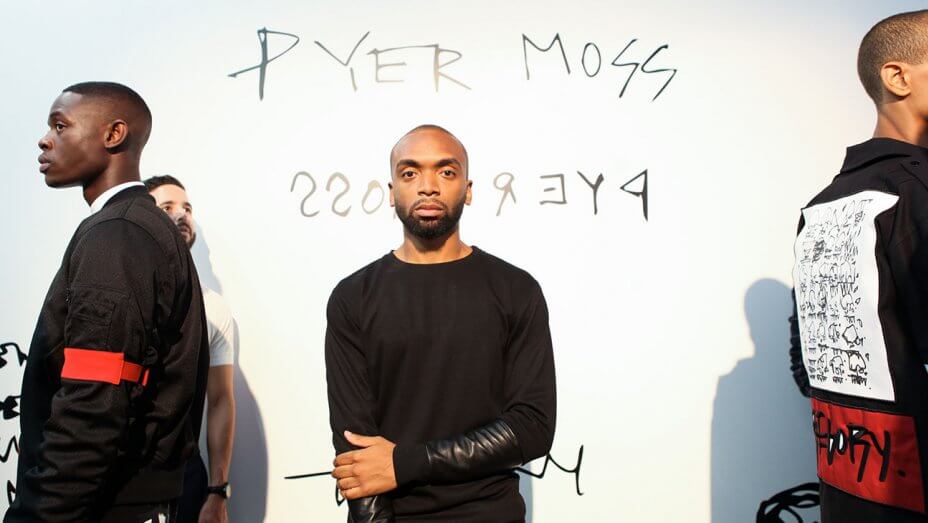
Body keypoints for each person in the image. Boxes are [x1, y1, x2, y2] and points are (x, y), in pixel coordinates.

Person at [326, 124, 557, 522]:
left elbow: (533, 427)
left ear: (468, 189)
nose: (428, 187)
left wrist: (406, 462)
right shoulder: (353, 297)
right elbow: (355, 449)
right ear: (392, 191)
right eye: (410, 173)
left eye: (446, 172)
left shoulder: (516, 290)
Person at [6, 82, 209, 523]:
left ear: (113, 135)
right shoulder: (137, 227)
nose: (45, 140)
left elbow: (93, 402)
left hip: (102, 507)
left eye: (60, 126)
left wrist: (37, 515)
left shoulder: (118, 234)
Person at [789, 10, 928, 523]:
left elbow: (805, 365)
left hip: (851, 484)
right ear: (897, 77)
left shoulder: (822, 205)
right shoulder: (917, 193)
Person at [145, 175, 236, 523]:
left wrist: (217, 491)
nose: (182, 214)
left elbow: (221, 399)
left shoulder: (214, 308)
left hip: (185, 473)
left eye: (187, 208)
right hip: (120, 470)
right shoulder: (124, 290)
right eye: (167, 207)